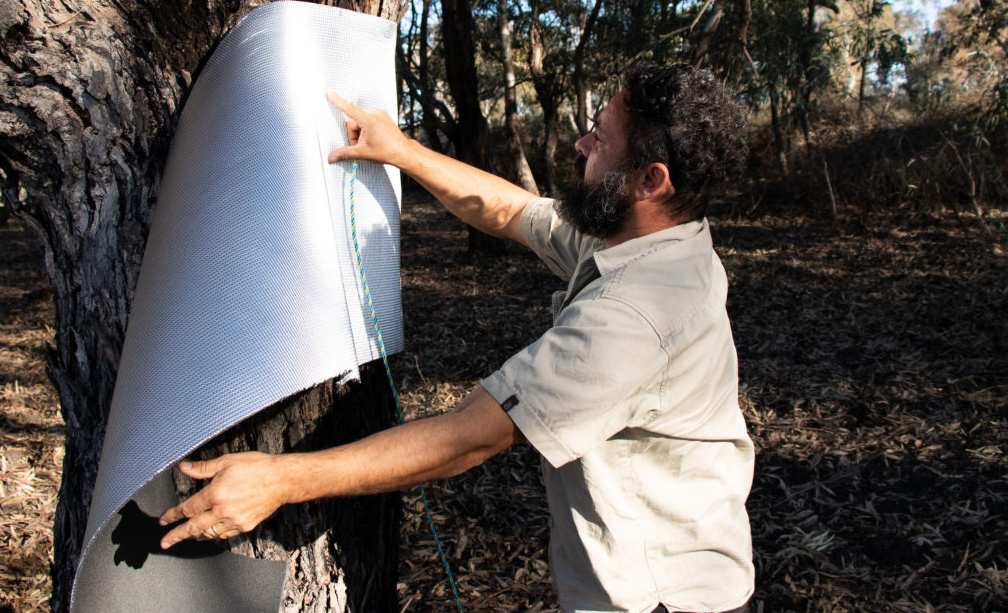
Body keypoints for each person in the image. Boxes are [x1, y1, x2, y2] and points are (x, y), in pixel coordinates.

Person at [158, 63, 755, 613]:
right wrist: (402, 152)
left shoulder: (635, 314)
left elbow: (469, 437)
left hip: (664, 600)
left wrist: (278, 480)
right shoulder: (648, 238)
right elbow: (512, 210)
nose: (582, 144)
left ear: (651, 180)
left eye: (599, 137)